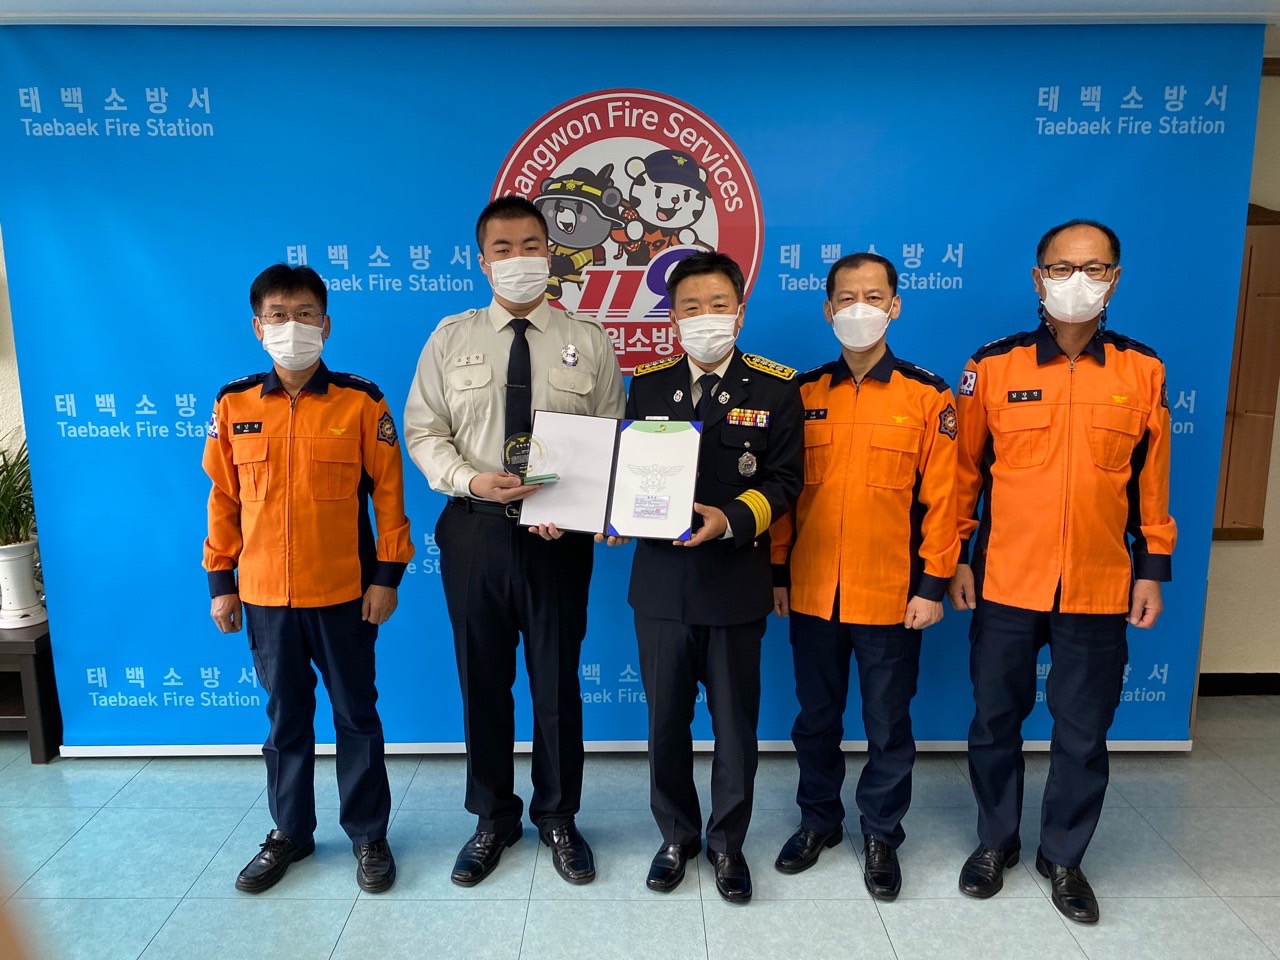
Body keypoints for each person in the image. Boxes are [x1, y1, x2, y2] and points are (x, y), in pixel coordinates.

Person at [950, 219, 1176, 924]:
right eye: (1061, 267)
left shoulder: (1142, 370)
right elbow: (962, 476)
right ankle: (996, 842)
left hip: (1099, 582)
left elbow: (1153, 483)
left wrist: (1152, 568)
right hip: (1006, 579)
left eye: (1094, 268)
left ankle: (1065, 857)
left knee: (1083, 732)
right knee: (995, 721)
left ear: (1115, 279)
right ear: (1037, 277)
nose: (1077, 281)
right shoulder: (993, 366)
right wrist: (955, 557)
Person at [402, 196, 625, 887]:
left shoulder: (588, 340)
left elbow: (609, 437)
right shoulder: (451, 338)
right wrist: (470, 479)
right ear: (483, 260)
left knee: (557, 682)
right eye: (504, 248)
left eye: (532, 245)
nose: (519, 259)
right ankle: (492, 817)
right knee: (483, 681)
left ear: (549, 253)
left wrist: (576, 506)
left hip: (558, 538)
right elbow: (424, 431)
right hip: (474, 531)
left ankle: (559, 815)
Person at [203, 264, 413, 894]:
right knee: (285, 721)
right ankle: (289, 831)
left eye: (304, 315)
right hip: (265, 596)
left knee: (356, 717)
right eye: (278, 315)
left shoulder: (360, 401)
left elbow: (390, 495)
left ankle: (369, 835)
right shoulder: (234, 403)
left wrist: (387, 576)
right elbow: (223, 497)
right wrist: (221, 581)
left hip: (344, 593)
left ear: (326, 324)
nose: (291, 326)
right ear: (257, 327)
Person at [770, 252, 959, 900]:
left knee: (887, 723)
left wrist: (932, 586)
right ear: (828, 309)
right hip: (813, 589)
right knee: (815, 719)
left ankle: (881, 833)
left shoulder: (927, 395)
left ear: (895, 306)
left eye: (873, 297)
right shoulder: (803, 394)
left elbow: (944, 501)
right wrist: (778, 572)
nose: (860, 309)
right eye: (847, 298)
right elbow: (786, 497)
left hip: (890, 595)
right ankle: (818, 820)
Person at [621, 250, 803, 903]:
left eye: (718, 305)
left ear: (739, 312)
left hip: (733, 584)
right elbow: (626, 471)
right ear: (672, 318)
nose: (705, 318)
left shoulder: (776, 388)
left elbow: (786, 482)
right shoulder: (646, 385)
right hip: (661, 587)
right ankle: (676, 837)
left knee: (734, 729)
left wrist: (729, 520)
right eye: (691, 307)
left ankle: (727, 843)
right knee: (665, 725)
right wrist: (613, 513)